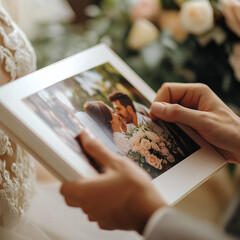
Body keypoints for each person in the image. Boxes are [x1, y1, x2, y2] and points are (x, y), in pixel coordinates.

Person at [61, 83, 240, 240]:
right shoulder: (121, 137)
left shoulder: (133, 126)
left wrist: (145, 213)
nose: (117, 113)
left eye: (117, 109)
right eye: (113, 111)